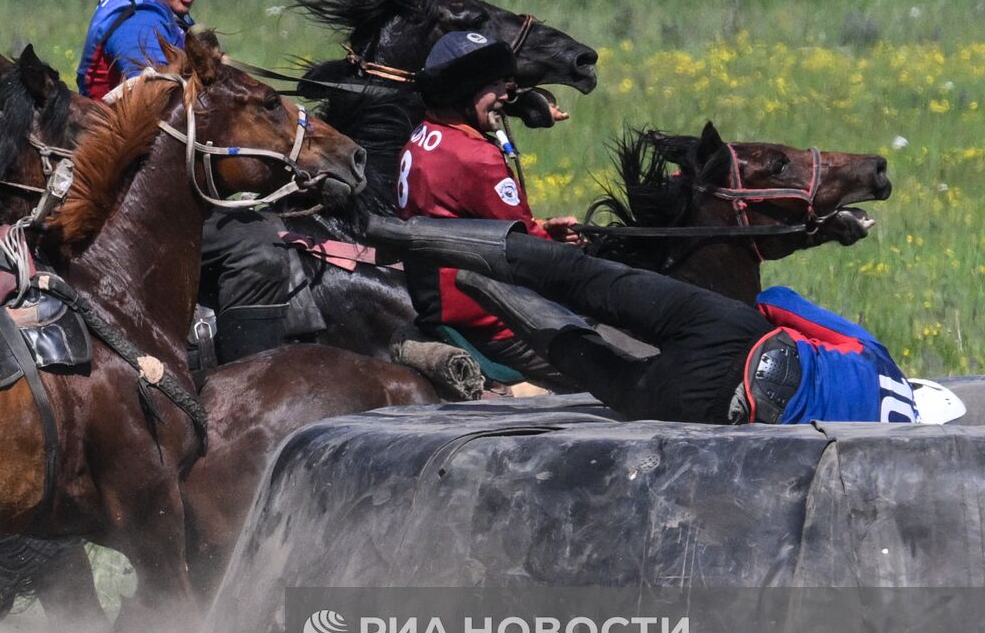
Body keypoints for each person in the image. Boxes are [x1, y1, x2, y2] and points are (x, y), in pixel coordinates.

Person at [366, 214, 964, 425]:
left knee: (583, 278)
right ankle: (482, 289)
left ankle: (403, 234)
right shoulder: (881, 441)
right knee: (593, 365)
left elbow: (779, 299)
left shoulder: (876, 356)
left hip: (740, 337)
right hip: (724, 401)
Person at [76, 0, 293, 363]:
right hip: (131, 199)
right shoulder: (138, 25)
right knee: (260, 245)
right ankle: (250, 377)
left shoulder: (150, 12)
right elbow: (177, 117)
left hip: (139, 185)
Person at [395, 30, 581, 381]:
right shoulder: (475, 157)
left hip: (435, 303)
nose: (504, 96)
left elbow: (460, 215)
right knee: (602, 365)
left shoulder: (421, 137)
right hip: (491, 320)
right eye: (494, 85)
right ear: (462, 90)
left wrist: (546, 230)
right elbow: (524, 248)